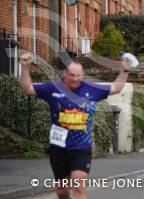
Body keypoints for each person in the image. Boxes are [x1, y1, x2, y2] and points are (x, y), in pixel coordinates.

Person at [20, 53, 132, 199]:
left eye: (78, 75)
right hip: (58, 148)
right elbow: (27, 88)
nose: (75, 79)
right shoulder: (53, 89)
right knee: (62, 190)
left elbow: (116, 87)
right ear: (65, 74)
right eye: (72, 75)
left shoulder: (91, 89)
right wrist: (24, 67)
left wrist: (125, 70)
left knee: (79, 187)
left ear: (83, 75)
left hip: (81, 147)